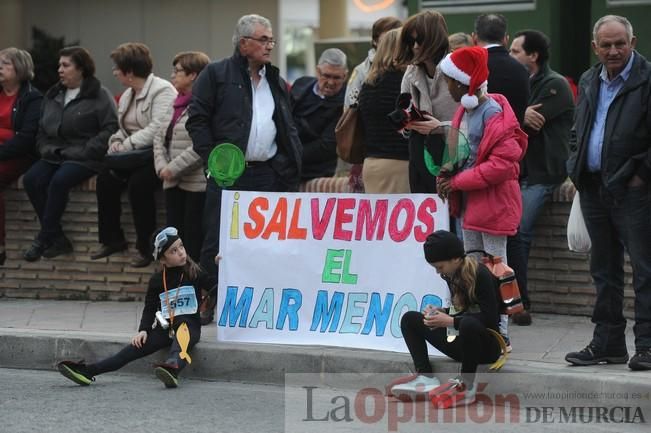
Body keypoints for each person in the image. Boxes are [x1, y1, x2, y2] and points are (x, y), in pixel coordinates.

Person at [187, 14, 302, 311]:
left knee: (267, 241)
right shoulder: (215, 74)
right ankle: (208, 298)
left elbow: (286, 124)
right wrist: (213, 161)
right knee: (217, 238)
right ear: (244, 43)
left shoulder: (275, 79)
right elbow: (196, 120)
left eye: (271, 40)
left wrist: (289, 166)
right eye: (263, 39)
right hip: (228, 174)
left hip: (267, 173)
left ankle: (262, 303)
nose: (269, 46)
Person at [565, 15, 651, 371]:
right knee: (603, 270)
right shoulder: (588, 79)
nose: (614, 51)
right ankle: (608, 342)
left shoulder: (647, 79)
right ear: (595, 47)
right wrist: (575, 164)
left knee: (645, 269)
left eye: (621, 43)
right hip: (594, 187)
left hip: (635, 191)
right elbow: (578, 129)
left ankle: (647, 346)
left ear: (632, 42)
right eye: (607, 45)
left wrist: (641, 175)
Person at [436, 46, 527, 351]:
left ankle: (501, 334)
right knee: (472, 269)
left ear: (463, 82)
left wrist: (457, 181)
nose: (446, 86)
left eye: (449, 80)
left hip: (493, 203)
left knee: (497, 270)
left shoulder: (494, 113)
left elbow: (502, 165)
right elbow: (462, 152)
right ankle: (478, 329)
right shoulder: (465, 110)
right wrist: (446, 172)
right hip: (470, 204)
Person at [57, 226, 212, 388]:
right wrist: (143, 330)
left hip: (188, 326)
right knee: (129, 352)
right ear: (163, 259)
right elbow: (149, 308)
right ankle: (88, 371)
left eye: (181, 246)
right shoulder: (157, 281)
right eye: (173, 251)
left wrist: (220, 263)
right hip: (164, 329)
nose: (181, 252)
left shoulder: (195, 272)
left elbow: (217, 286)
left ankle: (172, 369)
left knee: (181, 343)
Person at [22, 46, 118, 262]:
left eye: (66, 65)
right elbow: (41, 129)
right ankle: (57, 237)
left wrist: (86, 150)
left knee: (59, 181)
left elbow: (110, 128)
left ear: (81, 69)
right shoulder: (54, 93)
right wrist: (45, 148)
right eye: (59, 65)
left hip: (85, 156)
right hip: (55, 153)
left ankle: (43, 238)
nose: (60, 70)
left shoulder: (99, 94)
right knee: (31, 180)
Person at [508, 30, 575, 326]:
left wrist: (515, 118)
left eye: (515, 51)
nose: (510, 56)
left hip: (543, 174)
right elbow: (514, 122)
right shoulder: (522, 85)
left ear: (533, 55)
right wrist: (518, 116)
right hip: (519, 173)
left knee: (519, 232)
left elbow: (529, 126)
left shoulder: (555, 85)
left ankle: (521, 301)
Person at [392, 230, 501, 407]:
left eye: (440, 267)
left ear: (455, 259)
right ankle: (425, 376)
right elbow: (462, 310)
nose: (438, 272)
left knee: (467, 324)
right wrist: (441, 312)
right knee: (410, 319)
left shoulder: (481, 274)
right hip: (462, 341)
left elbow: (489, 319)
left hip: (487, 348)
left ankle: (467, 385)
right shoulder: (451, 275)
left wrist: (450, 321)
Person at [92, 42, 177, 267]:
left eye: (117, 68)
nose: (114, 72)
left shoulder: (162, 90)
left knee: (139, 185)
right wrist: (116, 141)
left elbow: (158, 127)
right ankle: (112, 239)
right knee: (105, 179)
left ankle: (145, 248)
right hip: (133, 154)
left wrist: (127, 144)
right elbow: (123, 127)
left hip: (156, 154)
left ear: (129, 72)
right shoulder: (129, 94)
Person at [153, 51, 210, 262]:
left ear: (193, 75)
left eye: (177, 71)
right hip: (172, 181)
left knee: (192, 237)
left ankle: (194, 282)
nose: (172, 76)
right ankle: (177, 282)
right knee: (173, 237)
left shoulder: (205, 103)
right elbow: (159, 136)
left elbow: (201, 145)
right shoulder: (175, 102)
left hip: (195, 183)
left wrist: (172, 168)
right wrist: (161, 166)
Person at [396, 10, 458, 194]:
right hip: (421, 156)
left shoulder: (459, 69)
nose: (415, 46)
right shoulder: (411, 72)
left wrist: (441, 127)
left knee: (453, 218)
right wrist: (406, 123)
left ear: (435, 39)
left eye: (420, 40)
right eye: (410, 41)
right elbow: (403, 112)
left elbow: (481, 121)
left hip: (456, 158)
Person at [342, 16, 402, 191]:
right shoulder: (362, 71)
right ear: (376, 41)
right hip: (369, 150)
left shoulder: (408, 69)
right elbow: (349, 109)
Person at [0, 48, 42, 266]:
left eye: (6, 63)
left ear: (20, 68)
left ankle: (1, 245)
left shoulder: (31, 97)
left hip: (18, 155)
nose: (0, 67)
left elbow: (25, 138)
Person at [357, 28, 410, 193]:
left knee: (377, 217)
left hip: (372, 164)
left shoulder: (368, 83)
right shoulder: (405, 81)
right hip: (400, 164)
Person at [291, 48, 347, 182]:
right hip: (287, 166)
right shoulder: (301, 85)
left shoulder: (346, 102)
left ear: (345, 76)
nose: (331, 82)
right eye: (326, 76)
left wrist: (290, 153)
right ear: (317, 71)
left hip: (317, 172)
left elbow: (327, 145)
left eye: (336, 77)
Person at [472, 14, 529, 124]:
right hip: (514, 139)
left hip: (479, 139)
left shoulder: (469, 69)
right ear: (506, 39)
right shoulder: (522, 70)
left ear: (474, 38)